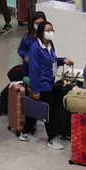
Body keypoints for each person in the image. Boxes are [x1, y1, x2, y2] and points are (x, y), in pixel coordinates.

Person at [25, 20, 72, 150]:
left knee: (37, 108)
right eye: (47, 30)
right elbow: (33, 70)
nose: (50, 32)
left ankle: (25, 132)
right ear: (40, 32)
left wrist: (63, 60)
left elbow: (52, 60)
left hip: (49, 81)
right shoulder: (35, 48)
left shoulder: (50, 45)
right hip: (41, 83)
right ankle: (52, 138)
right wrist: (35, 89)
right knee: (49, 111)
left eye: (52, 30)